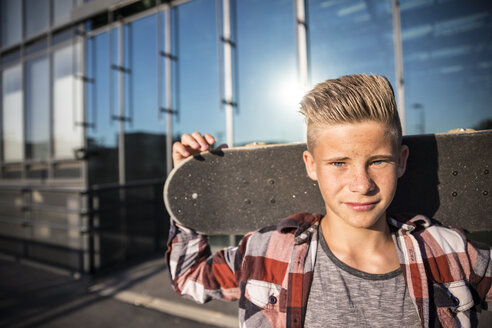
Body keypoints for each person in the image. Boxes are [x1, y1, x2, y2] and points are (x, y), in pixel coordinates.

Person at [166, 74, 491, 327]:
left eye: (378, 161)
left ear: (402, 161)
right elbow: (189, 278)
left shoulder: (449, 252)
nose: (361, 185)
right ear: (311, 165)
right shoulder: (266, 252)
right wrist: (190, 190)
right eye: (339, 163)